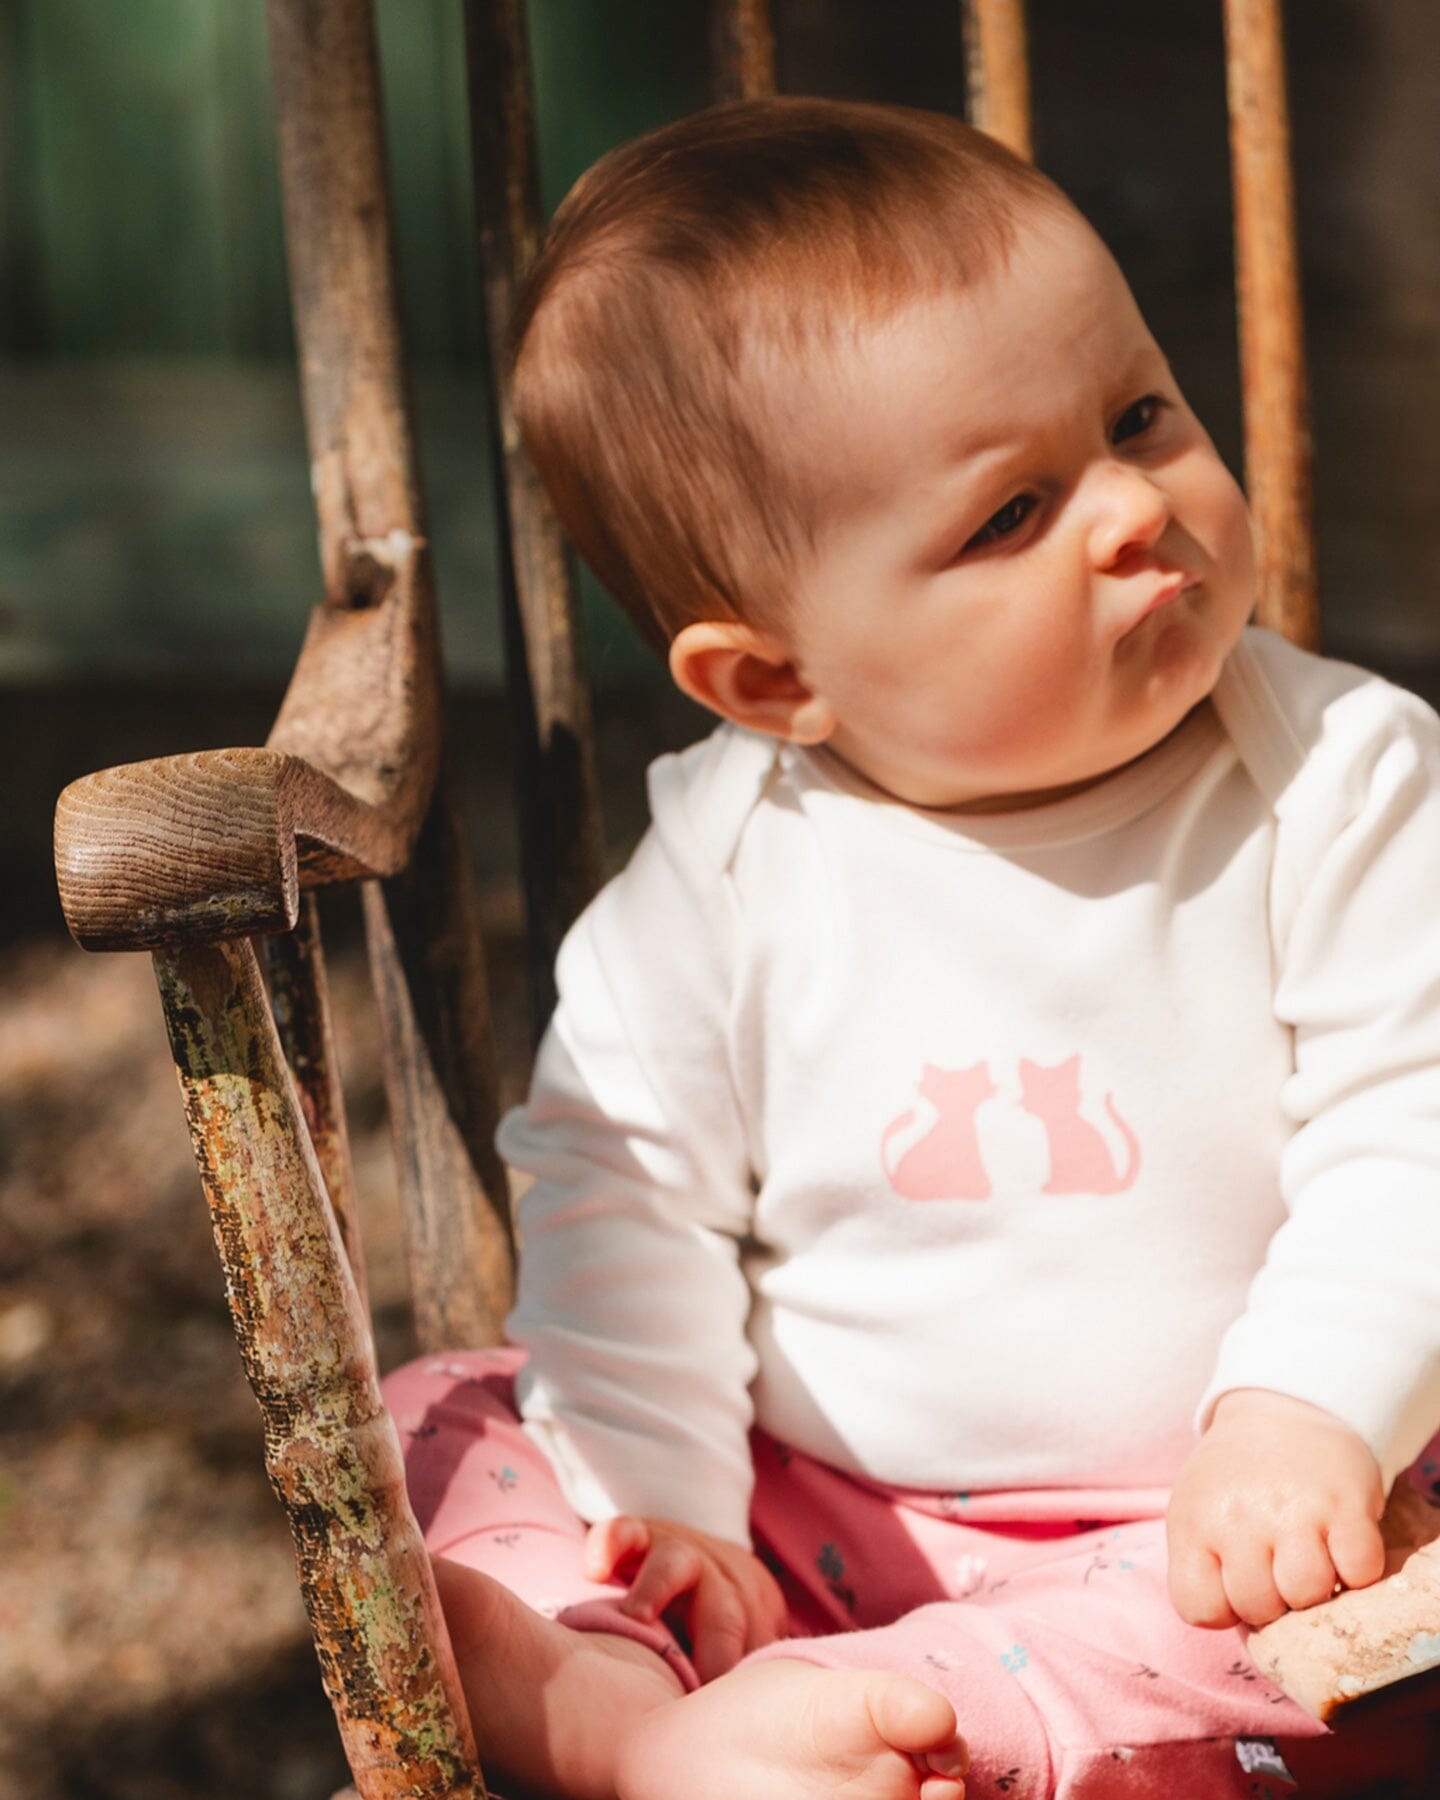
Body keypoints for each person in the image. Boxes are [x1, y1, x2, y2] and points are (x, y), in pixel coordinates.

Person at [382, 96, 1440, 1799]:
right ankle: (626, 1716)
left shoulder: (1340, 780)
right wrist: (662, 1502)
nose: (1131, 512)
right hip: (808, 1521)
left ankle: (939, 1732)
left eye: (1141, 415)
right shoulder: (726, 871)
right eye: (1010, 516)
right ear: (775, 682)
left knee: (1358, 1623)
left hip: (1217, 1526)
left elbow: (1419, 1123)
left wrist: (1310, 1406)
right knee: (444, 1433)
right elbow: (624, 1181)